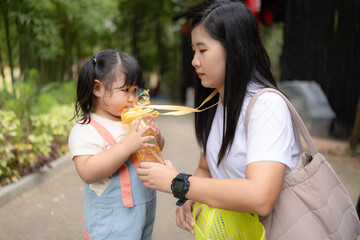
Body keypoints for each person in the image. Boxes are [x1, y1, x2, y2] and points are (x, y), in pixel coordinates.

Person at [136, 0, 299, 236]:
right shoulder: (215, 102)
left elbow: (261, 197)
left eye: (202, 50)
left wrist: (179, 183)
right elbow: (206, 167)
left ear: (236, 49)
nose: (194, 60)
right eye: (194, 51)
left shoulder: (266, 106)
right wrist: (187, 197)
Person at [68, 49, 165, 239]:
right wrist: (126, 146)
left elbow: (156, 150)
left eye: (135, 90)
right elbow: (87, 172)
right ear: (97, 89)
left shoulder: (131, 122)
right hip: (111, 219)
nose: (132, 98)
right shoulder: (86, 129)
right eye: (125, 90)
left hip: (145, 207)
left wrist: (157, 136)